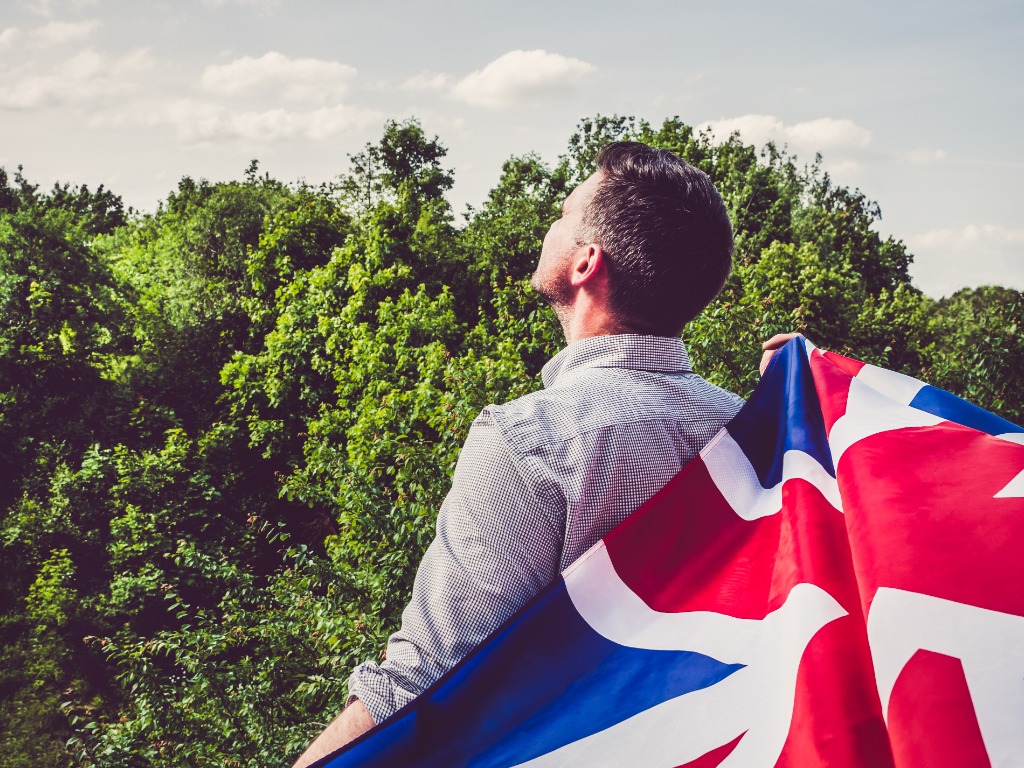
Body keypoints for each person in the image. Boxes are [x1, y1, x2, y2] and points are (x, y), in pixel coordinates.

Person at [294, 141, 779, 767]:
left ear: (585, 264)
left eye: (561, 212)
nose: (548, 224)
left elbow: (428, 679)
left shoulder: (531, 439)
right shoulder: (751, 430)